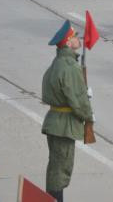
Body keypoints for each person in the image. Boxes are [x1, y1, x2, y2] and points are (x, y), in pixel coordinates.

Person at [42, 20, 93, 202]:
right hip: (64, 126)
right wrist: (88, 116)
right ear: (68, 42)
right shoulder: (70, 67)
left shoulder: (57, 63)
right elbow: (78, 99)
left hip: (55, 121)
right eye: (75, 37)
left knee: (56, 166)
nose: (78, 39)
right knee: (61, 170)